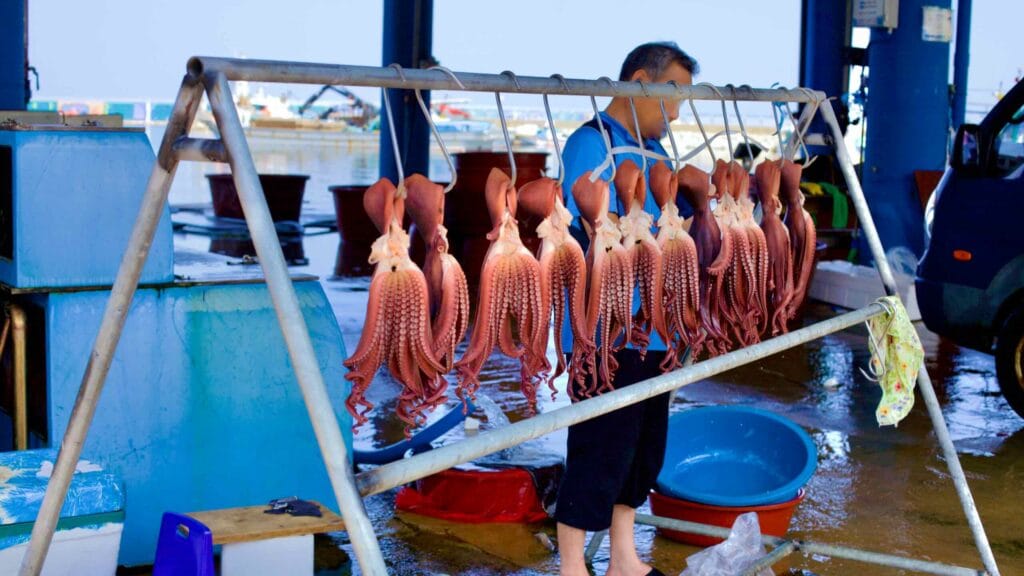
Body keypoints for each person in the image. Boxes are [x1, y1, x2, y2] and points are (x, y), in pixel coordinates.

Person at [555, 42, 699, 576]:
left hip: (655, 331)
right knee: (599, 445)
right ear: (640, 81)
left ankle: (624, 559)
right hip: (605, 332)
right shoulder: (590, 145)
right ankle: (572, 565)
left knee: (641, 452)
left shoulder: (656, 153)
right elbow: (592, 231)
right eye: (673, 97)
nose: (678, 112)